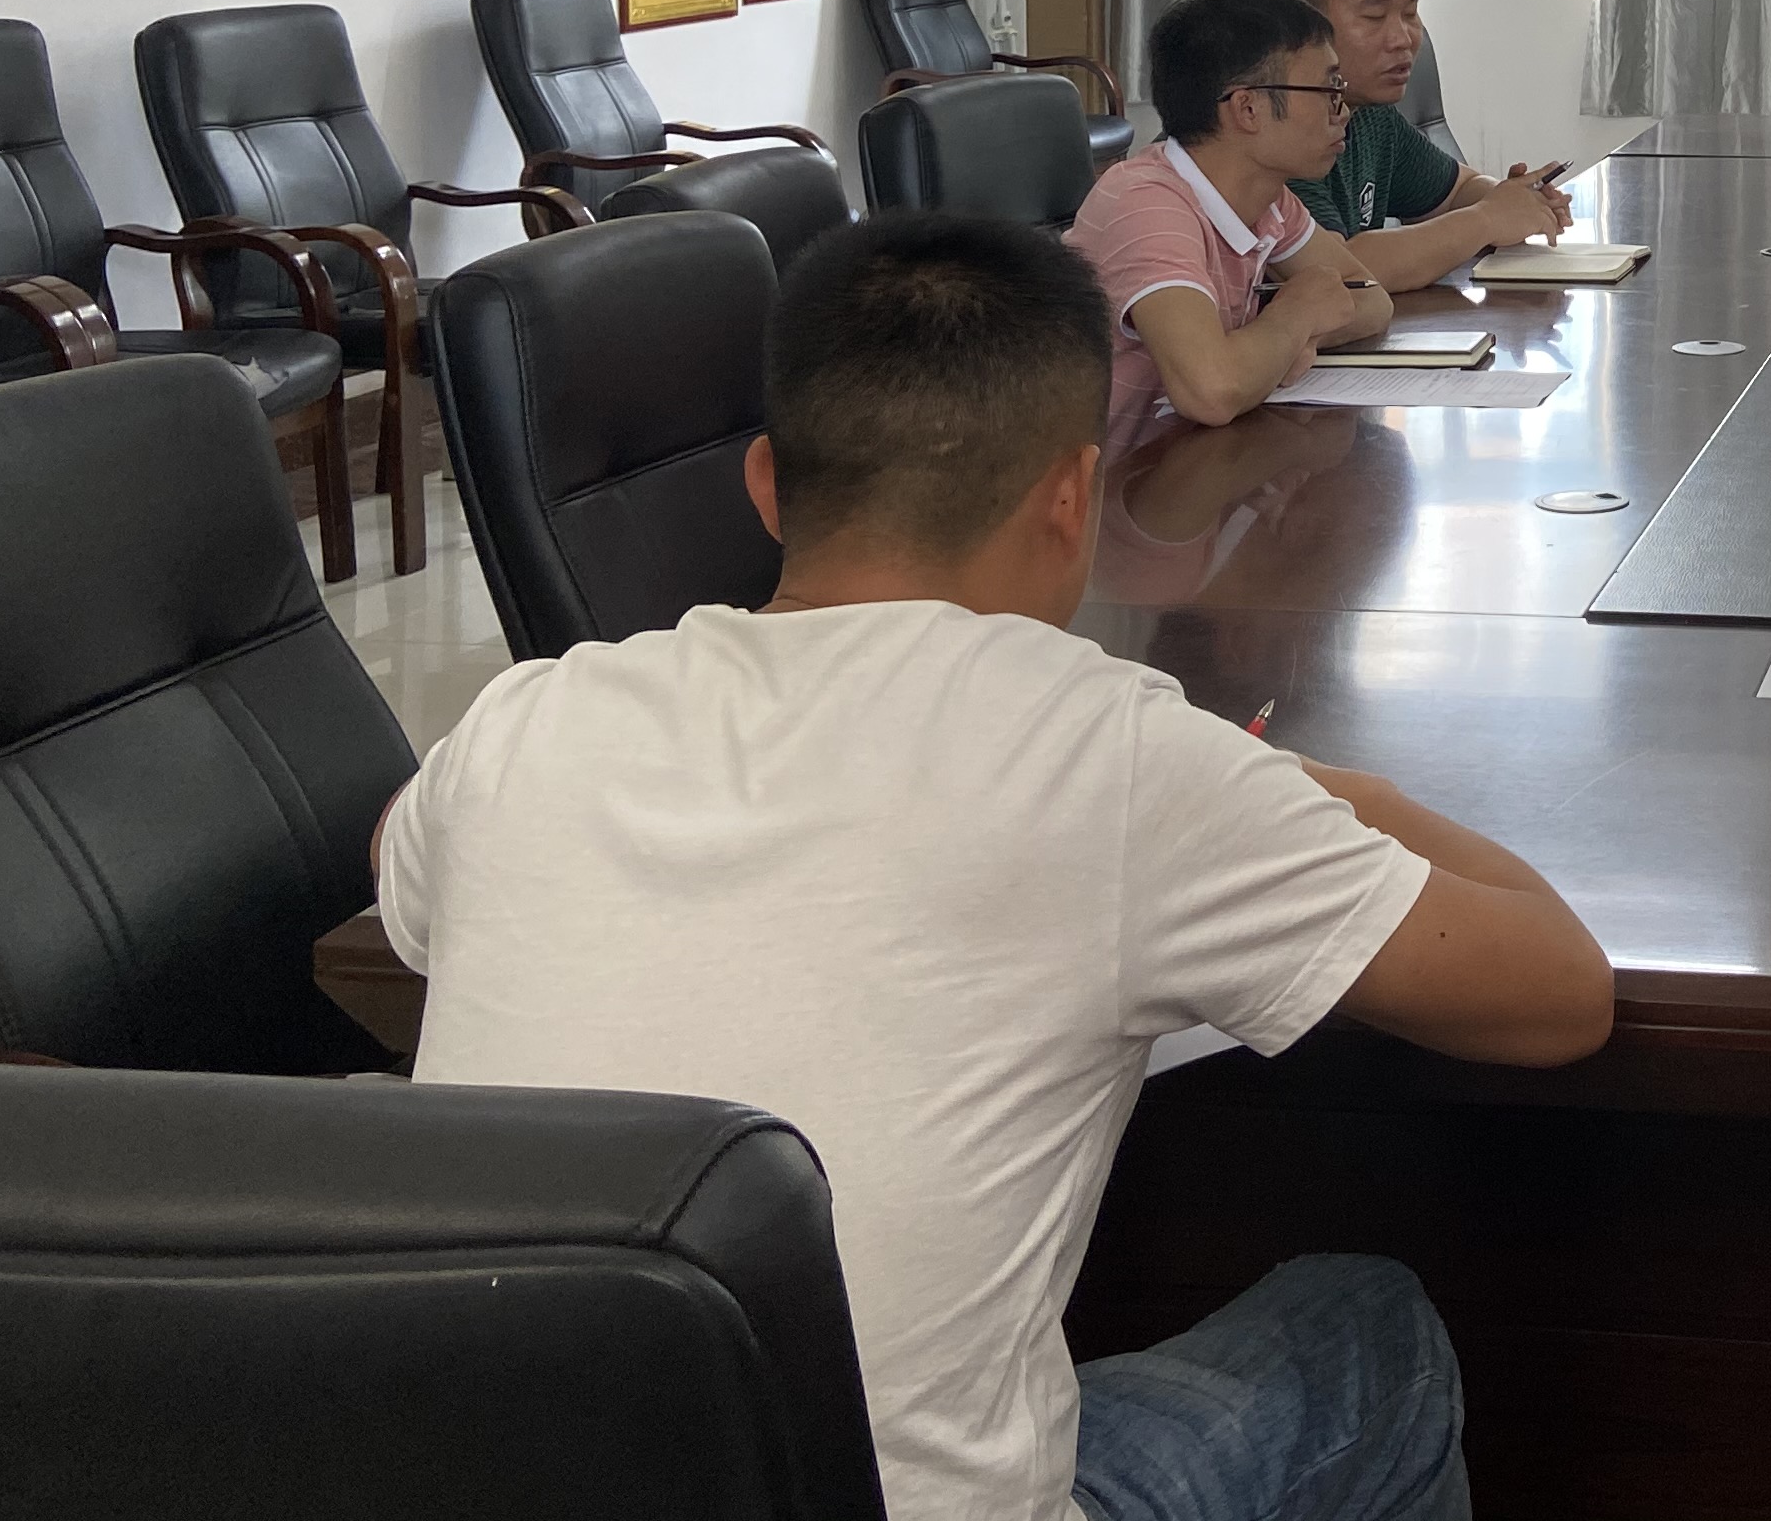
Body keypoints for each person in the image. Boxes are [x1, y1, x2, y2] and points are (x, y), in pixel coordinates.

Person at [377, 212, 1615, 1521]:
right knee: (1369, 1333)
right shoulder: (1113, 759)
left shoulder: (524, 723)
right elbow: (1559, 995)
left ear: (766, 486)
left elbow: (399, 872)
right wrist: (1333, 791)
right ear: (1075, 497)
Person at [1067, 0, 1397, 449]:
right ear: (1247, 108)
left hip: (1193, 462)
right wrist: (1293, 317)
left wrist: (1280, 344)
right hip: (1109, 482)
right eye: (1327, 89)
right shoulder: (1145, 203)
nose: (1342, 111)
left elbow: (1370, 299)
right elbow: (1212, 391)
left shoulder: (1270, 199)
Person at [1273, 0, 1576, 290]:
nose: (1403, 38)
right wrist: (1487, 219)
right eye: (1374, 17)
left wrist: (1515, 200)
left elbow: (1457, 190)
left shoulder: (1371, 116)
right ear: (1304, 26)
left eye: (1410, 14)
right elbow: (1338, 270)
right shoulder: (1280, 130)